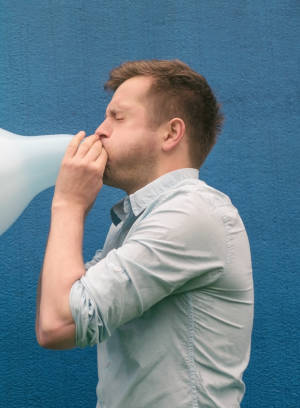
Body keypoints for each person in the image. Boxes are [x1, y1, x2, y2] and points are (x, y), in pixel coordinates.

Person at [35, 59, 253, 407]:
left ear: (171, 133)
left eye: (117, 117)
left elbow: (60, 324)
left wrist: (68, 205)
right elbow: (65, 306)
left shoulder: (192, 212)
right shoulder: (141, 219)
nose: (100, 130)